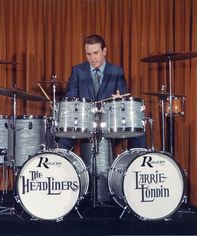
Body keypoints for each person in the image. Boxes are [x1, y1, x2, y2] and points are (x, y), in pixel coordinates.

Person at [58, 34, 144, 204]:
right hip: (84, 122)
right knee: (63, 134)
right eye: (88, 54)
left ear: (104, 51)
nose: (92, 58)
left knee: (138, 132)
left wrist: (119, 99)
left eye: (96, 53)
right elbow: (71, 97)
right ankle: (63, 181)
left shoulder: (116, 71)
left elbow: (123, 98)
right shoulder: (78, 70)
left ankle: (137, 177)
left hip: (109, 122)